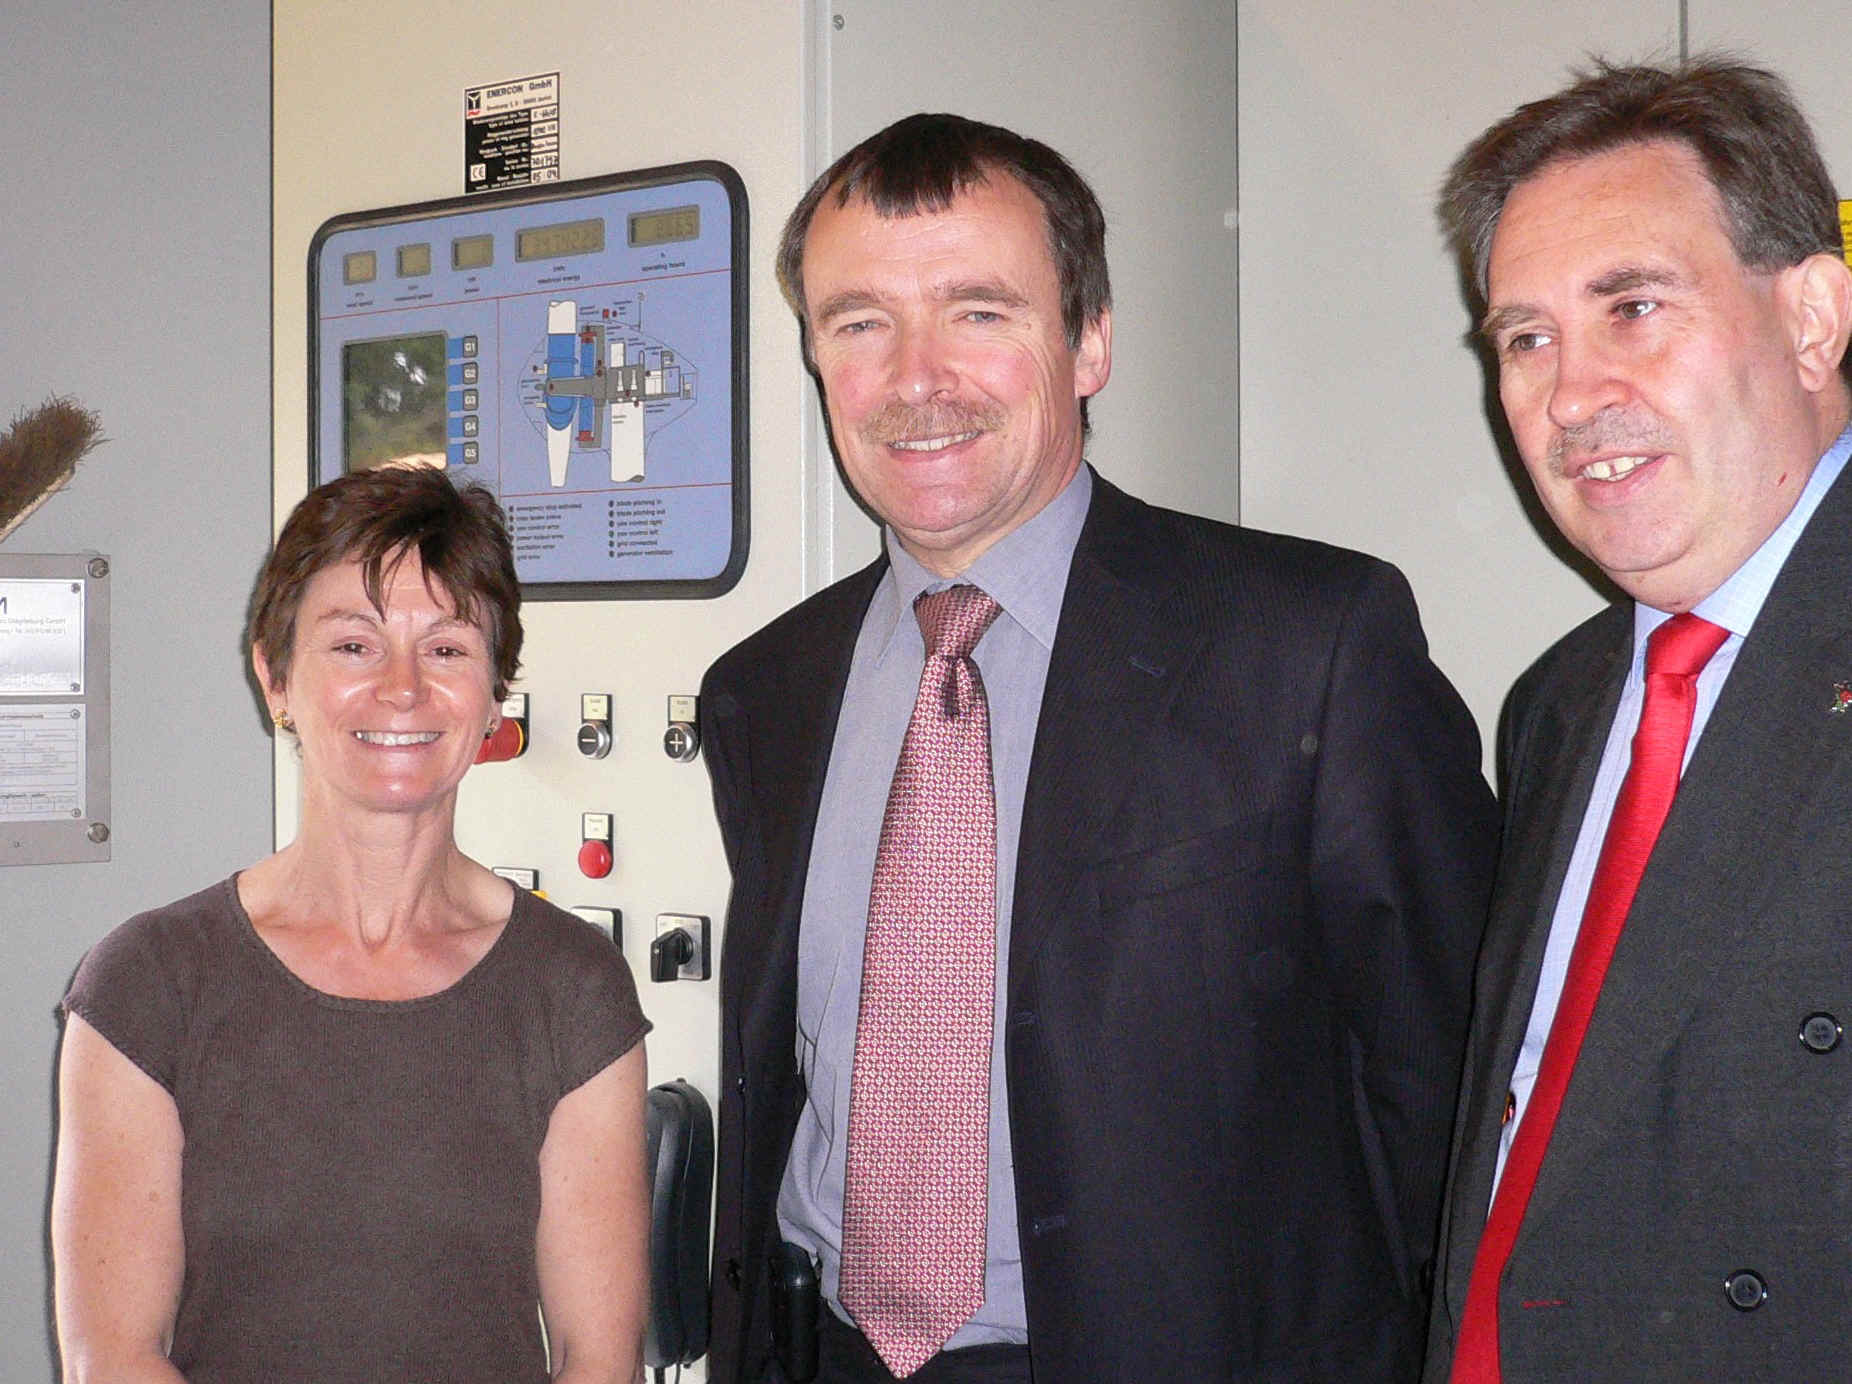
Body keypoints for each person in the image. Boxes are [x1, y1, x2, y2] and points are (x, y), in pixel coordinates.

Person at [700, 112, 1497, 1384]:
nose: (916, 376)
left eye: (979, 312)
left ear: (1089, 341)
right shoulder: (764, 690)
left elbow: (1452, 1083)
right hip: (825, 1354)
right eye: (859, 322)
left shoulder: (1308, 642)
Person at [1424, 59, 1852, 1382]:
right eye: (1526, 338)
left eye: (1634, 309)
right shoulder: (1557, 704)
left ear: (1815, 316)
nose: (1567, 397)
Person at [51, 466, 651, 1383]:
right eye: (354, 646)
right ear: (275, 677)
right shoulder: (150, 983)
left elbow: (595, 1362)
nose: (403, 689)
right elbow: (116, 1359)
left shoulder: (573, 988)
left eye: (448, 649)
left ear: (495, 695)